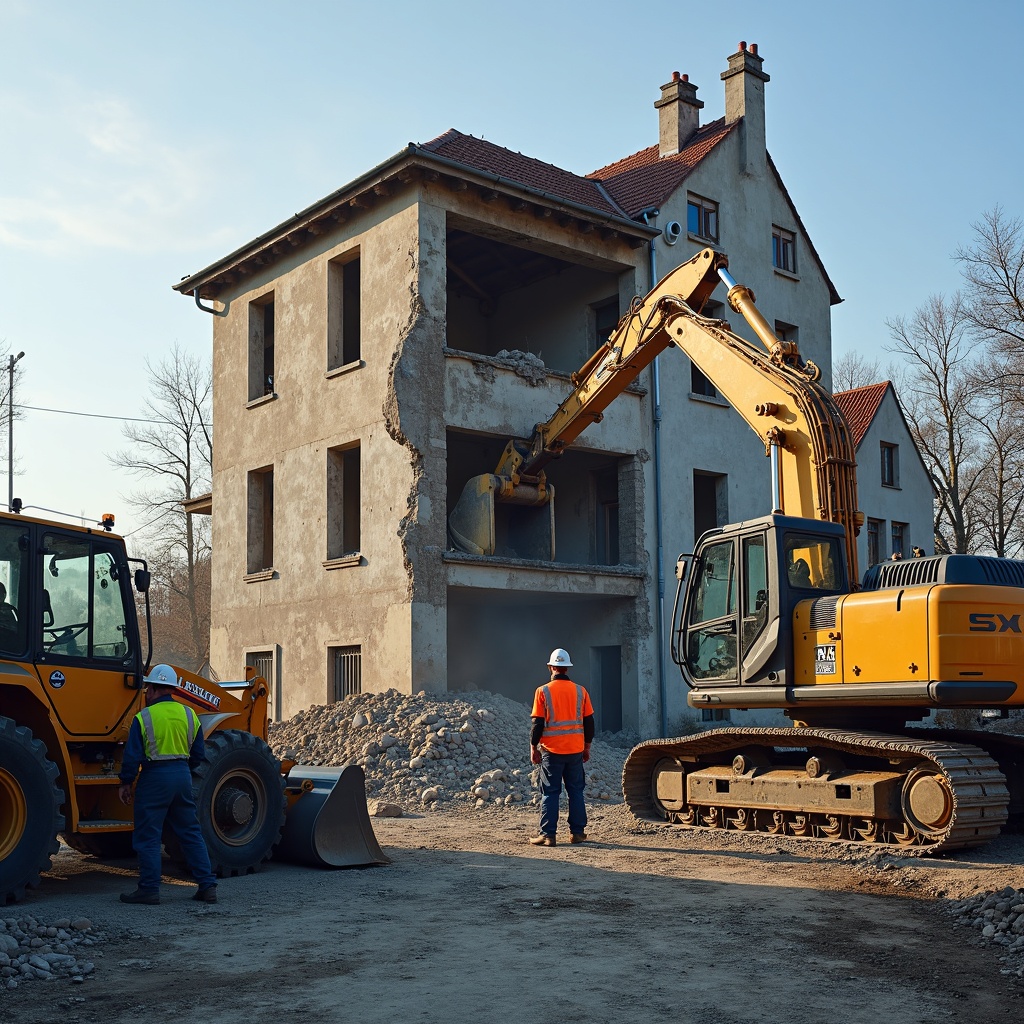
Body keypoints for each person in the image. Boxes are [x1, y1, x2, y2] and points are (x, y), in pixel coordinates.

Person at [117, 663, 219, 905]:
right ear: (172, 689)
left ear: (152, 689)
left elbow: (132, 755)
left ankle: (149, 890)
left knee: (149, 836)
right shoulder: (189, 714)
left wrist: (126, 782)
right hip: (182, 776)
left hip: (154, 778)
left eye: (147, 690)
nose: (147, 694)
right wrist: (182, 769)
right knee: (191, 833)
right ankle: (207, 886)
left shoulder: (144, 717)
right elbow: (198, 753)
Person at [528, 648, 595, 847]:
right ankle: (577, 833)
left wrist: (533, 747)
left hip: (551, 751)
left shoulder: (543, 691)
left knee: (550, 792)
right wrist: (587, 747)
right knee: (575, 791)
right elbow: (589, 723)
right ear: (567, 668)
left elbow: (537, 724)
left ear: (551, 667)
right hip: (575, 750)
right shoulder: (580, 691)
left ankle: (548, 835)